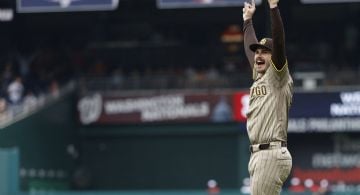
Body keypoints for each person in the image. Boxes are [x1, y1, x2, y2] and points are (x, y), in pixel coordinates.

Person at [242, 0, 293, 194]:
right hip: (260, 154)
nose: (258, 56)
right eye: (258, 52)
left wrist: (273, 8)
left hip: (270, 152)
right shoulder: (259, 76)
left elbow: (279, 42)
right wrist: (247, 21)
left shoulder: (277, 75)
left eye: (265, 52)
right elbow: (249, 50)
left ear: (274, 58)